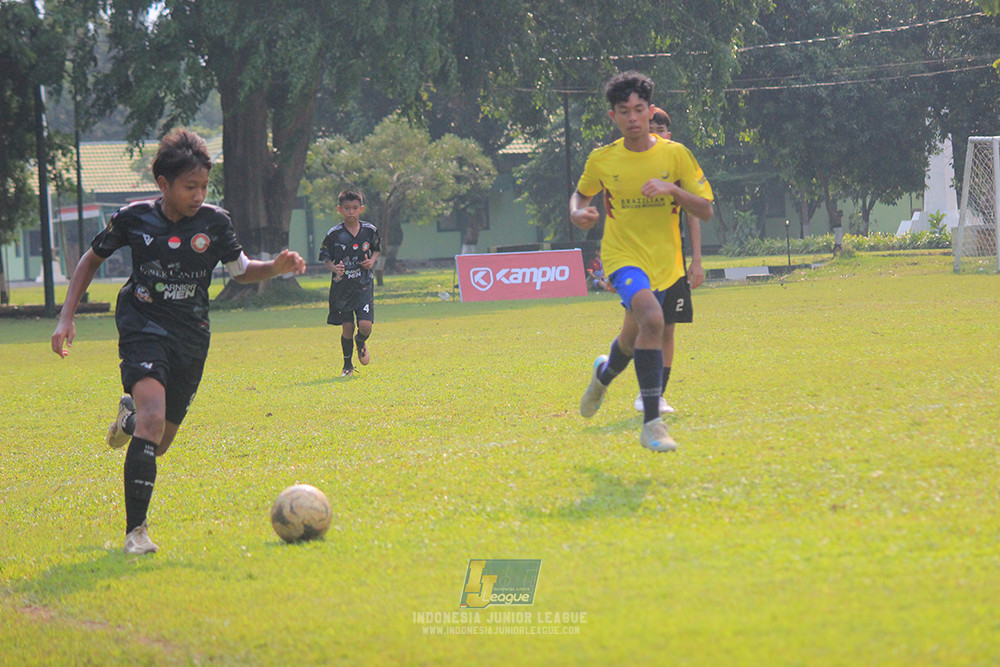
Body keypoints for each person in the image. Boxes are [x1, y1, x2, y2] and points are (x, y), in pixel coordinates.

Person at [50, 128, 307, 554]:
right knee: (154, 419)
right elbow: (91, 258)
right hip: (142, 323)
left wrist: (275, 268)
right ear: (163, 184)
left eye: (204, 186)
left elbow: (241, 270)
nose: (198, 194)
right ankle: (136, 533)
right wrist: (66, 316)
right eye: (190, 186)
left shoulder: (215, 222)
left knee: (158, 439)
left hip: (192, 335)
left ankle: (127, 420)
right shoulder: (134, 218)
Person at [570, 71, 714, 452]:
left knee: (632, 338)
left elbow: (706, 210)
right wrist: (577, 213)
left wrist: (671, 189)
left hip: (666, 263)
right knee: (653, 319)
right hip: (622, 258)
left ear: (650, 113)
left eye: (639, 110)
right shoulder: (602, 159)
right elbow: (580, 197)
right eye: (624, 111)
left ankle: (603, 376)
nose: (633, 118)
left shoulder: (675, 155)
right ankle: (652, 423)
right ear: (613, 117)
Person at [624, 105, 705, 416]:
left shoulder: (678, 170)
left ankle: (655, 395)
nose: (653, 136)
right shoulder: (628, 170)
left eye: (658, 131)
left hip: (671, 262)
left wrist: (696, 261)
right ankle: (619, 373)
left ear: (667, 135)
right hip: (637, 261)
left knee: (668, 328)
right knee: (638, 330)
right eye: (649, 130)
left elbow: (694, 216)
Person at [319, 190, 381, 377]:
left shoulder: (370, 230)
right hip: (342, 288)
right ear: (340, 209)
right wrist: (333, 268)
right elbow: (325, 258)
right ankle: (347, 366)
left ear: (361, 209)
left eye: (355, 208)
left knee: (365, 326)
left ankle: (360, 341)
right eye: (347, 208)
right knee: (347, 327)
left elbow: (376, 250)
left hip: (363, 285)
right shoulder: (334, 234)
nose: (351, 212)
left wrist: (372, 261)